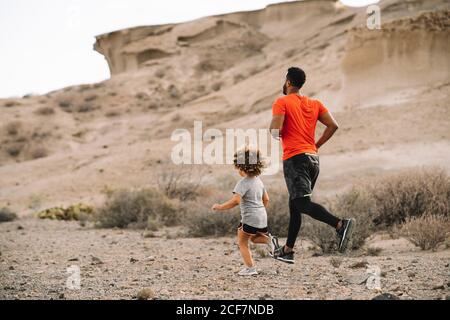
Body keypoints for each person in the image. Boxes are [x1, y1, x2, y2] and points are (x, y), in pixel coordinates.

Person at [269, 67, 355, 264]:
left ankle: (340, 224)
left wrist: (275, 131)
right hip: (312, 159)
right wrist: (315, 145)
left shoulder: (282, 102)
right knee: (295, 205)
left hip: (295, 159)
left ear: (288, 82)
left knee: (301, 204)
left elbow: (275, 131)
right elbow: (333, 125)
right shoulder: (314, 103)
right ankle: (288, 250)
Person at [212, 146, 279, 276]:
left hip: (250, 217)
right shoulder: (259, 181)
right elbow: (266, 199)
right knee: (254, 238)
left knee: (242, 243)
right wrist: (259, 211)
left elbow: (235, 201)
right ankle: (269, 240)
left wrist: (219, 207)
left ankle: (250, 269)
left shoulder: (242, 183)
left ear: (242, 168)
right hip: (261, 216)